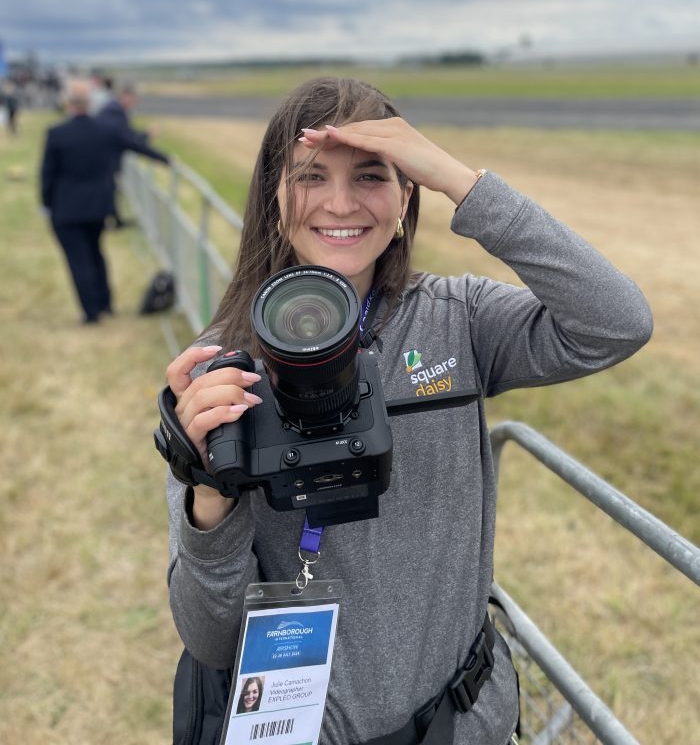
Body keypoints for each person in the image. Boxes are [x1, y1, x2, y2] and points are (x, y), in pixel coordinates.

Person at [164, 77, 653, 745]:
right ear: (274, 199)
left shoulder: (460, 322)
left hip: (462, 721)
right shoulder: (222, 374)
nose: (340, 202)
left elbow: (616, 324)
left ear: (405, 197)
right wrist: (207, 496)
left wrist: (462, 181)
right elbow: (211, 639)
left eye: (372, 176)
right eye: (311, 176)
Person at [40, 78, 171, 324]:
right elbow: (135, 144)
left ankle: (91, 313)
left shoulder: (57, 134)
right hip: (98, 207)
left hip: (66, 209)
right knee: (96, 253)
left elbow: (47, 175)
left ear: (68, 103)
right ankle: (105, 304)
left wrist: (46, 204)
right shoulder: (105, 130)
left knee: (78, 260)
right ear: (89, 104)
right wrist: (165, 159)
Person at [96, 82, 161, 228]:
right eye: (133, 98)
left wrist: (144, 136)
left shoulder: (113, 110)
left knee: (109, 190)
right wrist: (164, 159)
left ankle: (114, 221)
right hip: (104, 160)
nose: (135, 102)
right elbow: (130, 141)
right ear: (125, 96)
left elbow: (127, 138)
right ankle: (111, 222)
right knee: (107, 190)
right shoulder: (115, 113)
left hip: (104, 159)